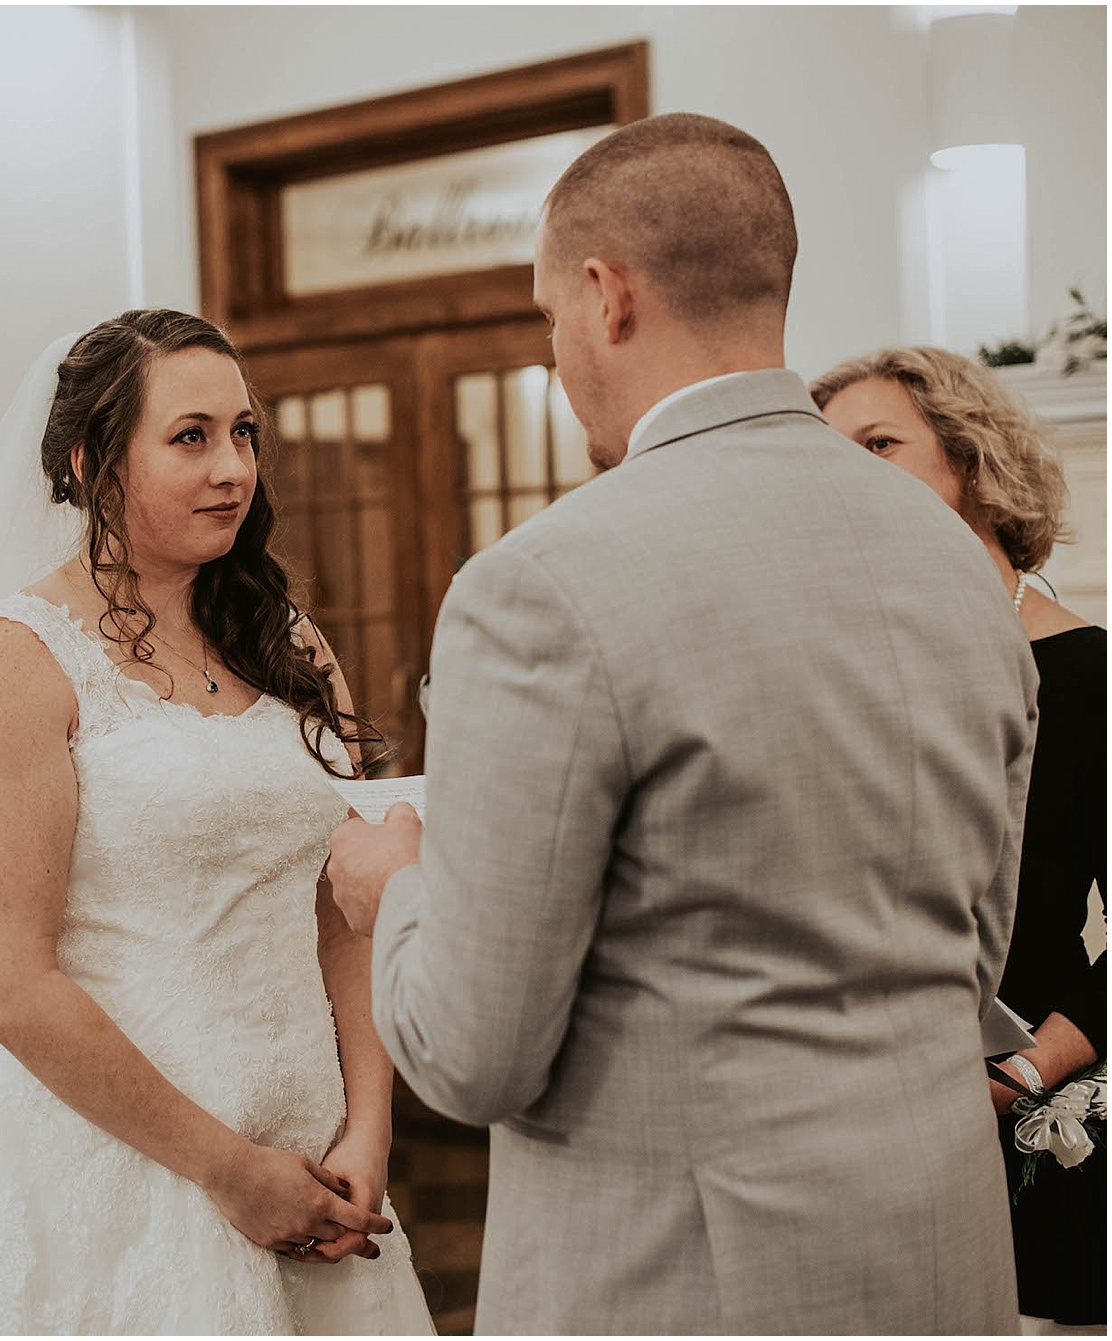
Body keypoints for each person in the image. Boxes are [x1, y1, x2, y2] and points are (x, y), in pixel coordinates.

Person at [326, 113, 1035, 1332]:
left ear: (606, 297)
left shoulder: (540, 583)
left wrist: (395, 884)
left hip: (686, 1279)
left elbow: (473, 1052)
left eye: (548, 316)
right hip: (942, 1247)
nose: (554, 355)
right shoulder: (953, 560)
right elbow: (972, 948)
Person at [0, 311, 433, 1333]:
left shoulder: (284, 642)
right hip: (118, 1158)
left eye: (243, 433)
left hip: (308, 1145)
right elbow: (8, 986)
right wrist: (225, 1169)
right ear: (88, 461)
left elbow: (343, 905)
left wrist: (367, 1129)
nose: (231, 468)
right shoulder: (13, 660)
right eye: (190, 436)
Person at [815, 346, 1106, 1334]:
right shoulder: (842, 679)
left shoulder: (1085, 678)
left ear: (969, 460)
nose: (844, 472)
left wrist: (1017, 1076)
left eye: (878, 443)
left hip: (1025, 1125)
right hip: (847, 1133)